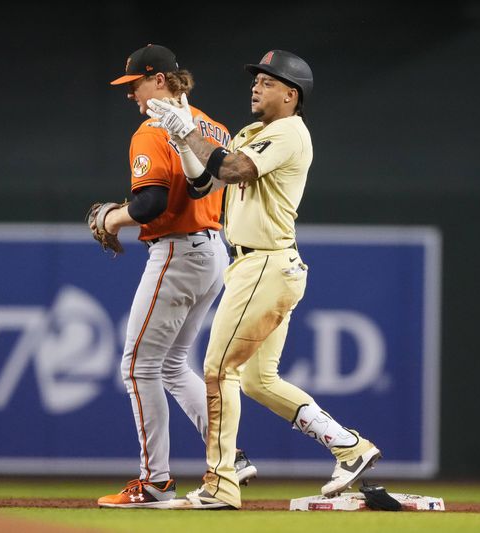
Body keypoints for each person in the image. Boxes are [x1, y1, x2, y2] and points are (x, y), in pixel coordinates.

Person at [146, 50, 381, 510]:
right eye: (256, 78)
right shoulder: (254, 132)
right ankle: (350, 447)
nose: (256, 85)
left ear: (291, 95)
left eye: (268, 81)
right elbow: (204, 185)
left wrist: (187, 132)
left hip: (265, 264)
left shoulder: (290, 132)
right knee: (258, 379)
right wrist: (184, 144)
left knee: (217, 370)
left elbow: (234, 170)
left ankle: (220, 483)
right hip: (263, 266)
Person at [94, 44, 257, 509]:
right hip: (213, 253)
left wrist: (110, 218)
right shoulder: (214, 126)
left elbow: (150, 205)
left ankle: (154, 483)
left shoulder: (152, 129)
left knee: (137, 366)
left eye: (136, 84)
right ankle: (232, 458)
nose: (132, 95)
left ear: (160, 80)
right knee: (170, 365)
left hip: (177, 252)